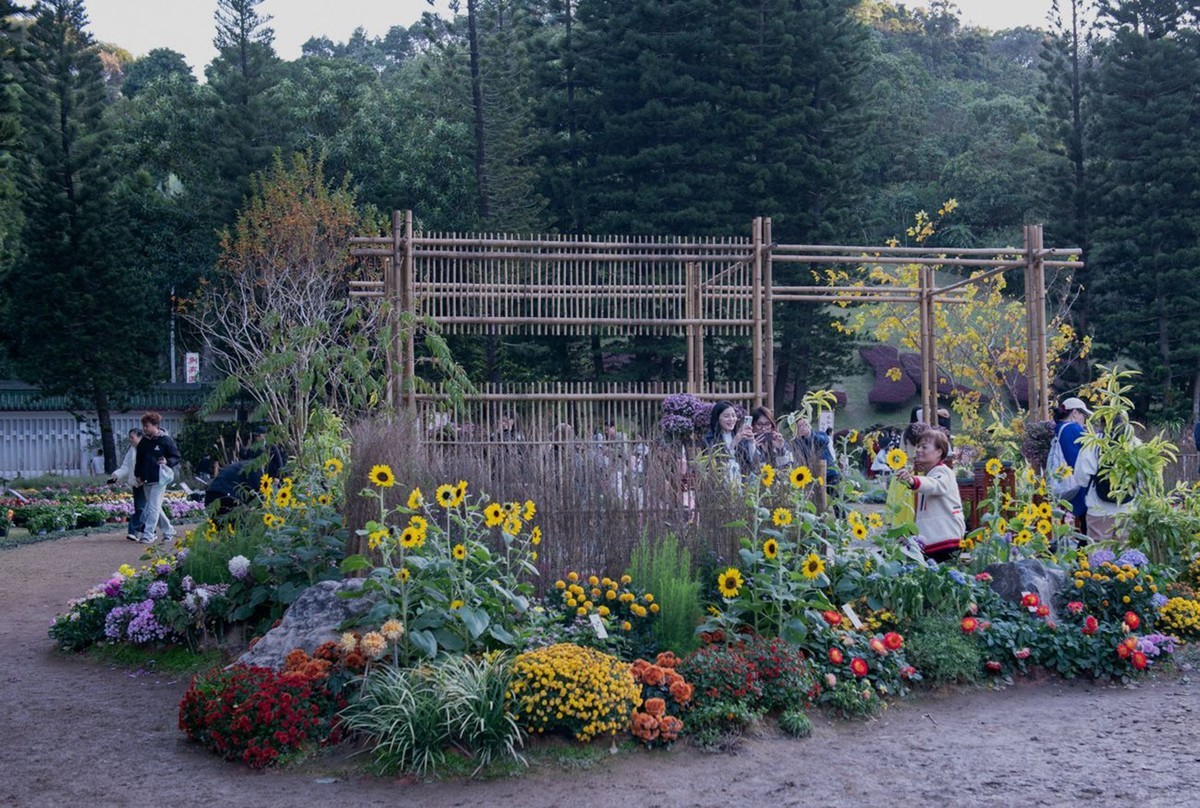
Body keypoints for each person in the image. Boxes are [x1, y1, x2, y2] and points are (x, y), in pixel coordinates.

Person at [897, 428, 965, 562]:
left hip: (946, 542)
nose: (918, 450)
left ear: (939, 451)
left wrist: (912, 480)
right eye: (918, 446)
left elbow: (935, 485)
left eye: (924, 447)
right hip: (933, 543)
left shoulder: (944, 472)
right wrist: (911, 538)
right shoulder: (930, 474)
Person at [1069, 416, 1140, 543]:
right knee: (1126, 555)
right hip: (1128, 509)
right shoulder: (1135, 443)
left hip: (1099, 509)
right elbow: (1143, 477)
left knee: (1099, 554)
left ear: (1102, 423)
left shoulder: (1093, 443)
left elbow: (1081, 478)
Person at [134, 412, 181, 544]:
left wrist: (167, 461)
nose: (144, 429)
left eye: (147, 426)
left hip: (160, 479)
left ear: (155, 425)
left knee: (152, 508)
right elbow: (139, 460)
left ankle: (148, 535)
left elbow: (176, 456)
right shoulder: (143, 442)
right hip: (146, 479)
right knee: (155, 507)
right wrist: (138, 475)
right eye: (144, 426)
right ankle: (169, 530)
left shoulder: (166, 440)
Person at [1053, 397, 1091, 535]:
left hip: (1068, 482)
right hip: (1079, 484)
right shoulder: (1073, 429)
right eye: (1083, 414)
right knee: (1087, 530)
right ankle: (1084, 556)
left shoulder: (1059, 429)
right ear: (1075, 412)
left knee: (1082, 527)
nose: (1084, 419)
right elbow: (1080, 460)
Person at [701, 401, 758, 484]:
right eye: (726, 416)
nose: (731, 419)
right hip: (720, 486)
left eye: (733, 415)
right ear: (717, 418)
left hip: (741, 484)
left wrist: (751, 442)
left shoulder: (740, 436)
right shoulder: (709, 439)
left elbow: (754, 463)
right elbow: (715, 464)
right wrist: (733, 444)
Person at [108, 428, 145, 542]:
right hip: (136, 483)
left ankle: (135, 531)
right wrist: (116, 475)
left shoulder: (146, 448)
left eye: (132, 437)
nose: (130, 439)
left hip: (147, 482)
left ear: (140, 437)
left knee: (144, 508)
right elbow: (126, 467)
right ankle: (141, 531)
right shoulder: (132, 450)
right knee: (141, 508)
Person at [792, 418, 839, 486]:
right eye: (799, 426)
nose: (802, 428)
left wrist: (810, 435)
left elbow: (824, 441)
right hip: (812, 478)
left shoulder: (820, 434)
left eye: (804, 425)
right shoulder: (797, 443)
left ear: (809, 426)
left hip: (829, 474)